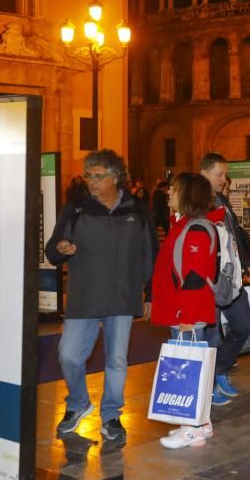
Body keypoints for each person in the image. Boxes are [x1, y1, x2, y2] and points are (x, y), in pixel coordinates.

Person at [45, 149, 158, 442]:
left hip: (123, 297)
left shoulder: (136, 209)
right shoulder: (77, 209)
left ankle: (111, 416)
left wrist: (151, 293)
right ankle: (79, 403)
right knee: (69, 355)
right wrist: (61, 249)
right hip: (85, 297)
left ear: (116, 177)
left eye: (99, 176)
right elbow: (53, 248)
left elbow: (150, 254)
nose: (92, 182)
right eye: (89, 176)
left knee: (117, 360)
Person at [151, 172, 219, 449]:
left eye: (175, 189)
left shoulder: (197, 229)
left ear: (188, 194)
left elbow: (194, 276)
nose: (169, 193)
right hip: (181, 311)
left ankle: (191, 428)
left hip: (187, 313)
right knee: (191, 365)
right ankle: (201, 423)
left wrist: (188, 317)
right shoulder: (184, 225)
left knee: (186, 369)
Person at [199, 152, 250, 406]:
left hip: (230, 278)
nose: (223, 179)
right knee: (211, 338)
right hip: (207, 282)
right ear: (204, 174)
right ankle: (207, 385)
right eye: (219, 174)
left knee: (243, 325)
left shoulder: (222, 198)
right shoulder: (193, 201)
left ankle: (220, 368)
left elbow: (231, 236)